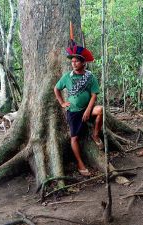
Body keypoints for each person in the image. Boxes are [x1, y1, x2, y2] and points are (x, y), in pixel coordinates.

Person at [54, 43, 103, 177]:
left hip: (88, 108)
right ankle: (80, 163)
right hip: (73, 111)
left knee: (100, 111)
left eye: (76, 61)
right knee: (74, 138)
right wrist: (62, 103)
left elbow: (94, 95)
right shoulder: (67, 77)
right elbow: (56, 89)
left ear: (83, 63)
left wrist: (88, 110)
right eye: (72, 61)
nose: (74, 64)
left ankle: (96, 135)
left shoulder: (90, 77)